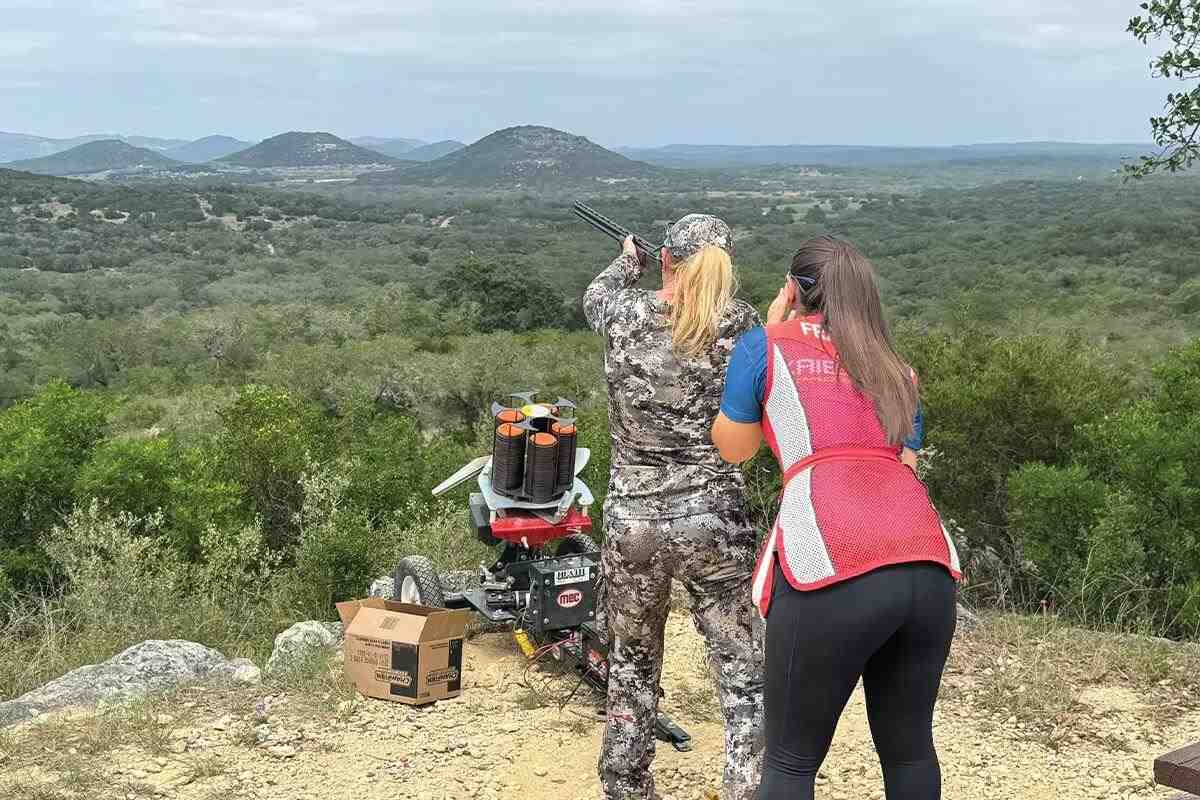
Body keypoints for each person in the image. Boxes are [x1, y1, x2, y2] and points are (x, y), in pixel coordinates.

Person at [711, 236, 962, 800]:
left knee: (791, 761)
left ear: (793, 290)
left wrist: (771, 332)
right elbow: (906, 462)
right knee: (910, 750)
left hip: (832, 557)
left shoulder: (765, 346)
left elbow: (734, 448)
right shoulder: (896, 367)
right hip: (926, 560)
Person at [584, 214, 764, 800]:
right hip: (715, 514)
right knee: (742, 668)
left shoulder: (623, 313)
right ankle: (746, 787)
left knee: (631, 660)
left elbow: (596, 296)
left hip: (634, 519)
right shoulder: (741, 323)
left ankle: (626, 785)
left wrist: (626, 260)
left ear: (666, 260)